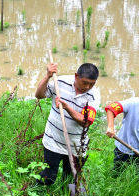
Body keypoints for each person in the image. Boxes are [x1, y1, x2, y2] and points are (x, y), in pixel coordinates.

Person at [35, 58, 100, 186]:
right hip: (53, 141)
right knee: (48, 176)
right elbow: (39, 95)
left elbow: (86, 122)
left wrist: (67, 108)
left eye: (91, 84)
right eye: (84, 83)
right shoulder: (59, 81)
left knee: (71, 180)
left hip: (77, 145)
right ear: (76, 76)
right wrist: (47, 76)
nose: (87, 87)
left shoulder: (93, 95)